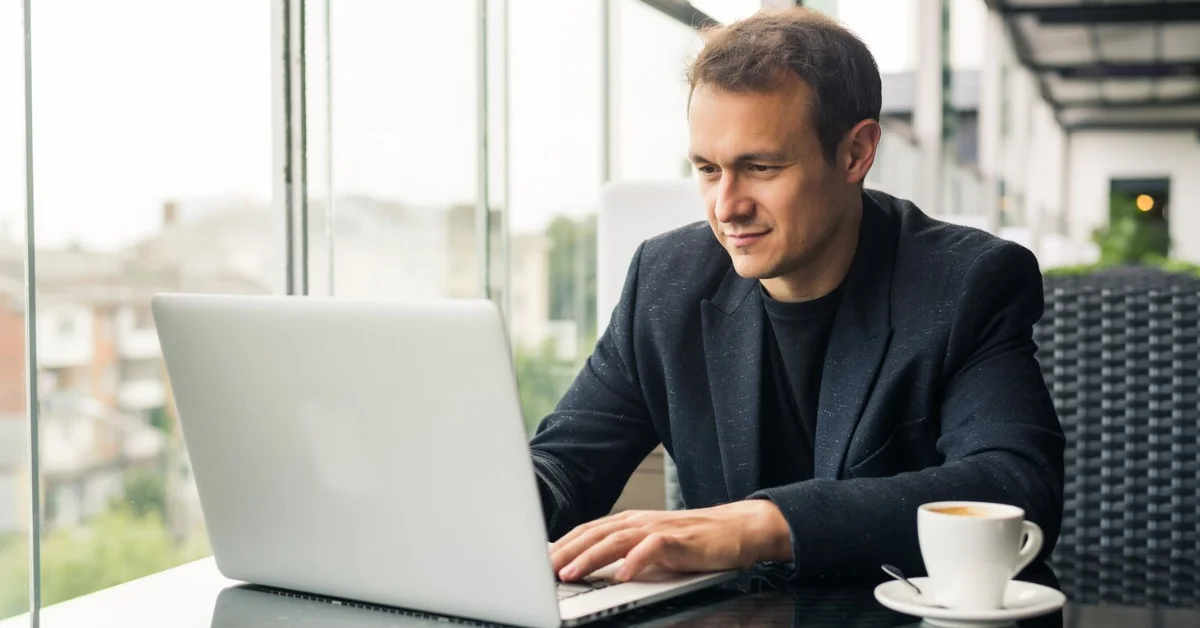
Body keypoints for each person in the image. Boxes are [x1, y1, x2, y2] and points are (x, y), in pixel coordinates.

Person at [531, 7, 1064, 584]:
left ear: (856, 153)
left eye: (760, 167)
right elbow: (565, 467)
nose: (726, 206)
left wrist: (764, 524)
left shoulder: (966, 283)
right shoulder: (664, 281)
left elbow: (1014, 487)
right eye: (708, 169)